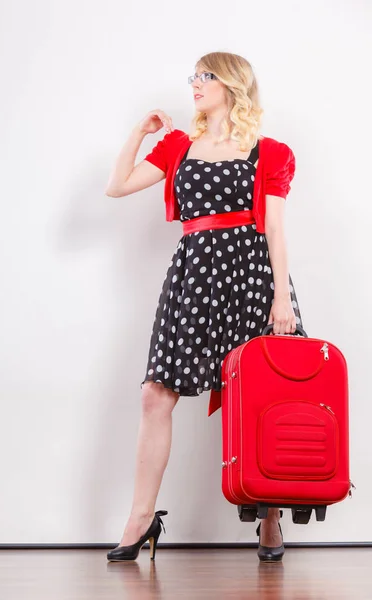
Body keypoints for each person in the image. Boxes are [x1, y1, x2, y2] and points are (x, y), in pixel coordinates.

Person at [105, 51, 303, 563]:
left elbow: (275, 228)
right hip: (193, 276)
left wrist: (282, 297)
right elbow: (117, 186)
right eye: (193, 75)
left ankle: (271, 520)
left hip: (253, 276)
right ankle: (141, 518)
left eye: (205, 76)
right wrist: (139, 132)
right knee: (156, 394)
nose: (194, 83)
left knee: (265, 397)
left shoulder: (270, 152)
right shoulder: (178, 146)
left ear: (232, 85)